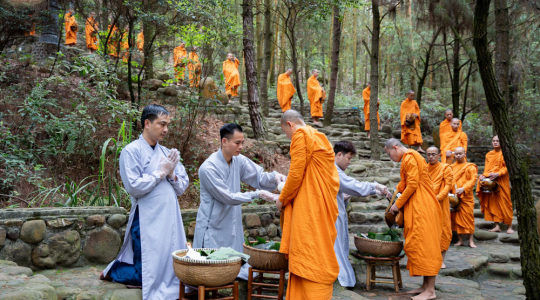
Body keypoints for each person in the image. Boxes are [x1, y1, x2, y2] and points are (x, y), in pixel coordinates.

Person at [101, 104, 190, 300]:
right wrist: (160, 172)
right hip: (146, 218)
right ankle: (114, 270)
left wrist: (172, 173)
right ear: (147, 123)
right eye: (162, 124)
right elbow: (134, 187)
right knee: (146, 274)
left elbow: (182, 187)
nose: (166, 129)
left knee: (169, 264)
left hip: (170, 216)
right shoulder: (131, 151)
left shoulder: (167, 152)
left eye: (168, 125)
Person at [193, 123, 285, 279]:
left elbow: (259, 177)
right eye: (237, 143)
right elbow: (228, 197)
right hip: (212, 225)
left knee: (234, 266)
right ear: (224, 142)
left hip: (231, 223)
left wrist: (275, 177)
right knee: (210, 272)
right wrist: (258, 194)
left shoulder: (238, 160)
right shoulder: (208, 168)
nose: (241, 146)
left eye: (242, 142)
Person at [277, 110, 340, 300]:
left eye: (285, 132)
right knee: (318, 252)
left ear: (290, 124)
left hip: (309, 207)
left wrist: (282, 199)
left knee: (308, 252)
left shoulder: (300, 135)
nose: (288, 137)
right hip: (321, 204)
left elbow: (296, 174)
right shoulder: (320, 137)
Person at [385, 138, 442, 300]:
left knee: (427, 246)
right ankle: (425, 286)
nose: (391, 158)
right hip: (419, 205)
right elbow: (406, 183)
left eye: (390, 155)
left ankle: (430, 290)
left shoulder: (409, 157)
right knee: (421, 245)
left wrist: (397, 205)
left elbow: (412, 184)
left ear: (395, 148)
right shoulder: (411, 157)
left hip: (423, 207)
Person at [333, 141, 389, 288]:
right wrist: (374, 185)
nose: (349, 162)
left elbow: (346, 189)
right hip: (330, 214)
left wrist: (373, 190)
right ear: (339, 155)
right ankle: (341, 278)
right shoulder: (332, 169)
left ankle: (342, 277)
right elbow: (353, 185)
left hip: (335, 211)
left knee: (339, 246)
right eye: (349, 158)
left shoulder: (334, 170)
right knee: (336, 247)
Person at [477, 136, 514, 234]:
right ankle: (497, 225)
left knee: (506, 203)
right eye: (494, 141)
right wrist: (483, 176)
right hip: (491, 181)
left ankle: (509, 226)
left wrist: (498, 174)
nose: (495, 142)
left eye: (497, 141)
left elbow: (507, 168)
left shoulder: (506, 154)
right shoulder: (489, 155)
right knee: (493, 203)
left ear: (501, 142)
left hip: (502, 181)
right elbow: (487, 169)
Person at [426, 146, 453, 269]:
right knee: (429, 230)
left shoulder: (445, 168)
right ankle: (431, 257)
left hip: (441, 203)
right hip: (427, 203)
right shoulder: (424, 169)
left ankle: (441, 259)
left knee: (443, 229)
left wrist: (438, 197)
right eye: (428, 155)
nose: (430, 157)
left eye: (433, 154)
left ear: (439, 155)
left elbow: (448, 185)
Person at [450, 147, 478, 248]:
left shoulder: (470, 167)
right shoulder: (451, 167)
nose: (458, 156)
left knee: (469, 218)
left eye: (460, 153)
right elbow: (449, 180)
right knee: (456, 218)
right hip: (455, 197)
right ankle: (460, 240)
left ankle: (471, 241)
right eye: (456, 154)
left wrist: (463, 188)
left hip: (466, 196)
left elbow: (473, 180)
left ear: (464, 154)